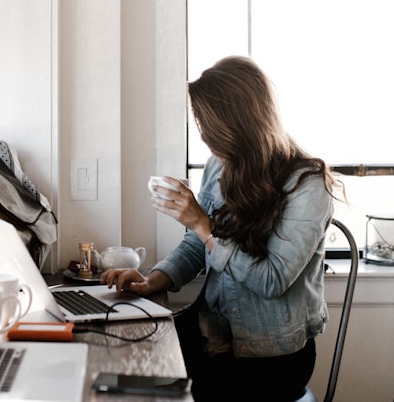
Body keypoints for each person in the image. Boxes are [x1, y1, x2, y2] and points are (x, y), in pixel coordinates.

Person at [101, 55, 343, 401]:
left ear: (243, 124)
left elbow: (271, 280)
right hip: (212, 331)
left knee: (150, 383)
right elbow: (196, 246)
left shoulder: (307, 185)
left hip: (270, 356)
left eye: (210, 128)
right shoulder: (219, 166)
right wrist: (152, 279)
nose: (205, 138)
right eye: (201, 125)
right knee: (121, 356)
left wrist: (201, 223)